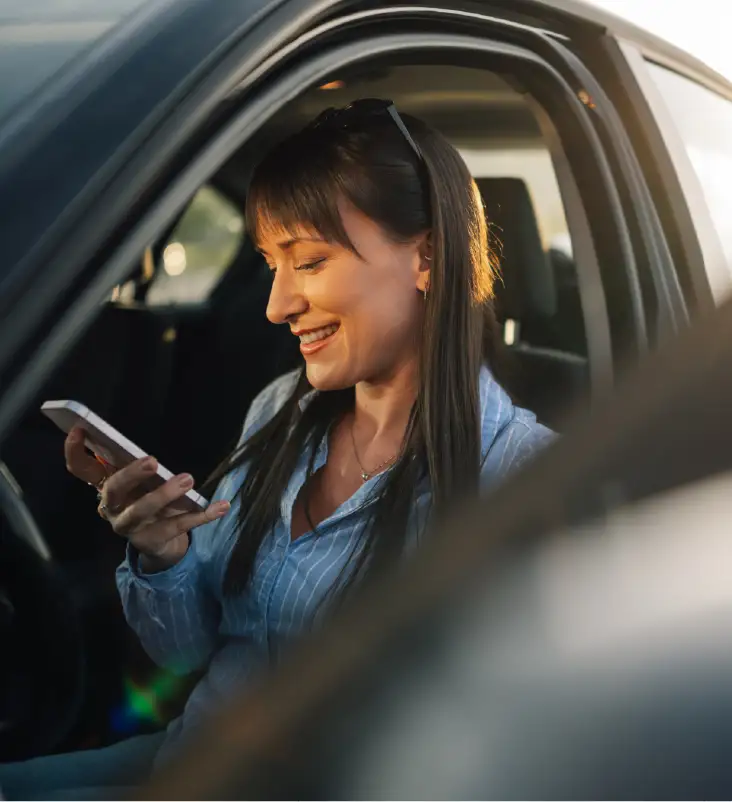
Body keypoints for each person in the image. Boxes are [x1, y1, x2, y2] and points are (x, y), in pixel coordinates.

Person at [0, 98, 553, 800]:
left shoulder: (522, 476)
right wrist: (162, 553)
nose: (276, 303)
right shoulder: (280, 411)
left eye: (310, 262)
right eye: (269, 264)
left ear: (427, 257)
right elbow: (191, 653)